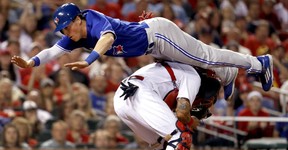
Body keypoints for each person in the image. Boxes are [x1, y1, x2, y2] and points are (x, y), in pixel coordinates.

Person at [11, 3, 273, 101]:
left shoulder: (92, 18)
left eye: (67, 27)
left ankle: (258, 63)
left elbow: (107, 38)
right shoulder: (75, 36)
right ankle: (227, 74)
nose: (66, 33)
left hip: (158, 36)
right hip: (152, 46)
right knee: (197, 66)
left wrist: (90, 60)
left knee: (206, 56)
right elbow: (51, 52)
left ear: (78, 19)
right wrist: (31, 62)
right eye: (63, 30)